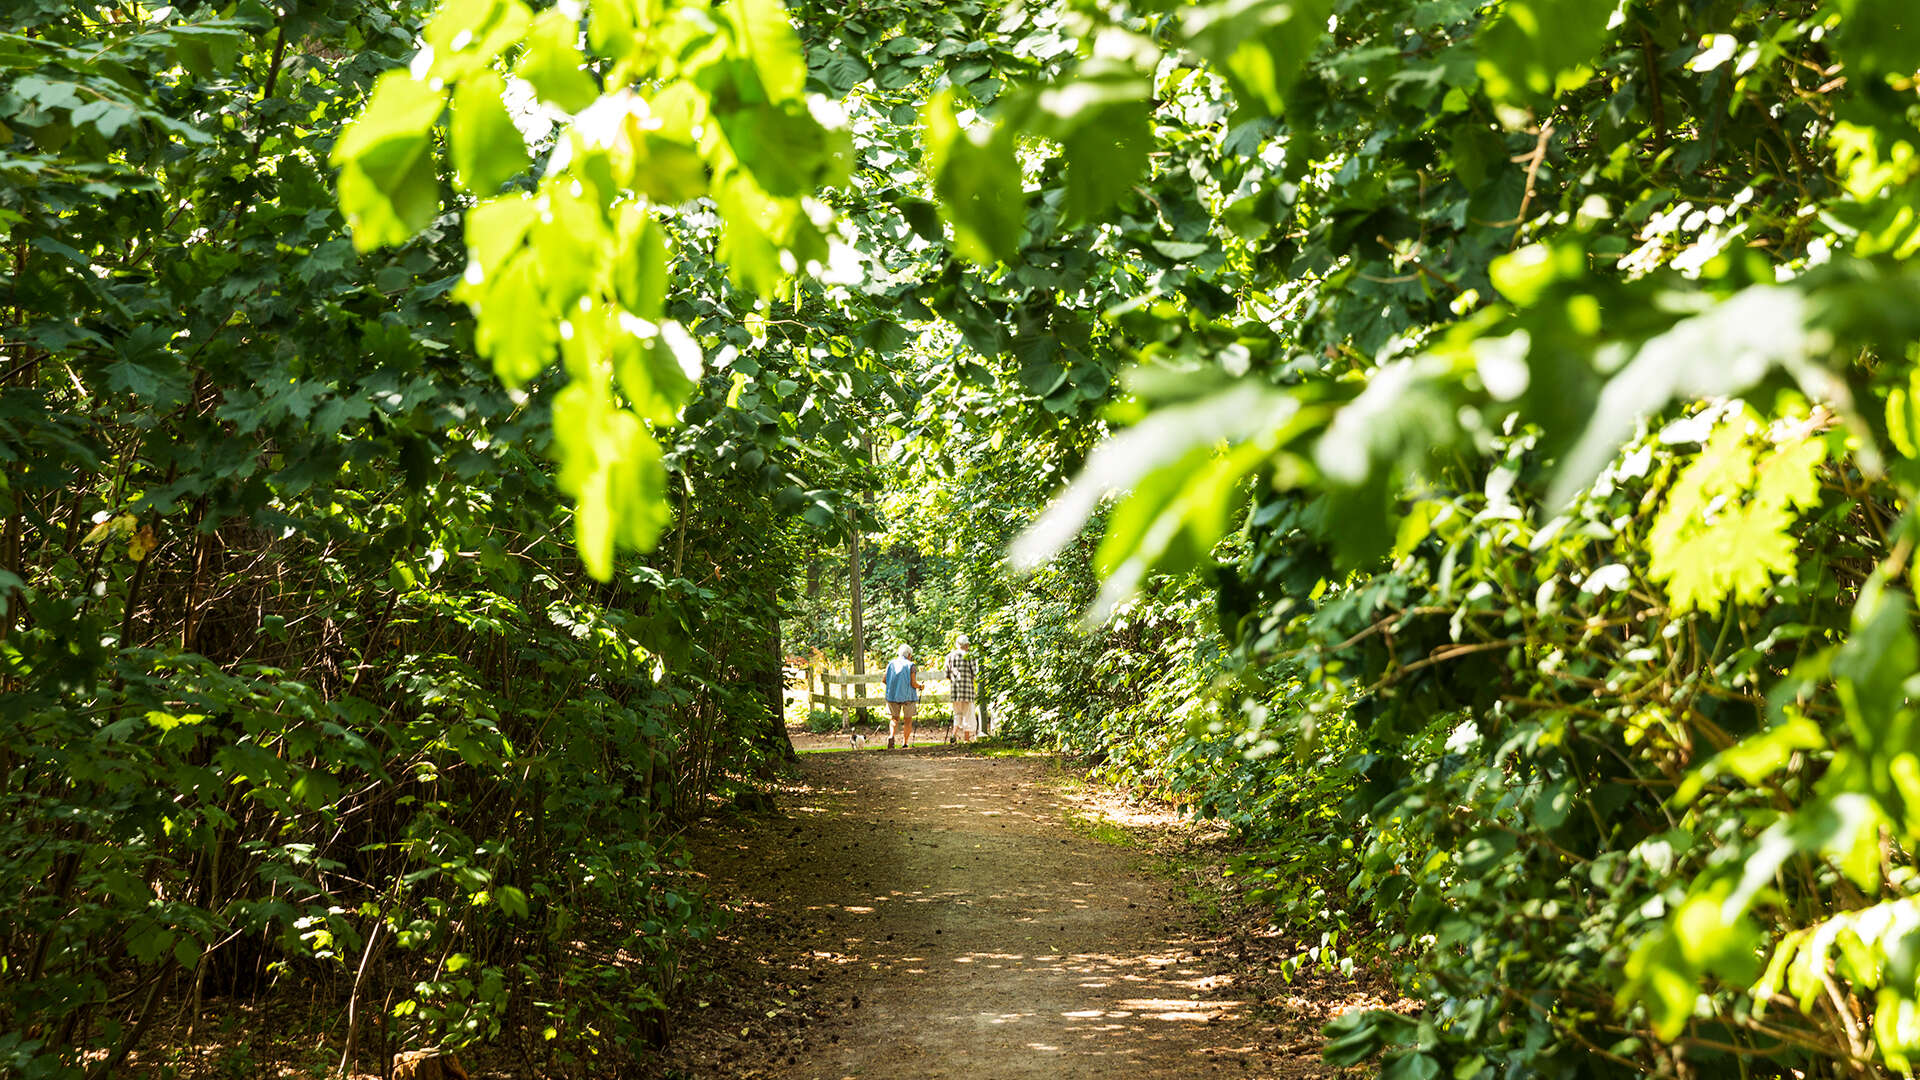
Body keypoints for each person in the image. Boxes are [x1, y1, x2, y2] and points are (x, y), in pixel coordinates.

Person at [883, 643, 921, 749]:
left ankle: (891, 736)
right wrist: (920, 686)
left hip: (892, 695)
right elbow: (913, 683)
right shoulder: (911, 665)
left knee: (894, 718)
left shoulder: (890, 664)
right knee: (908, 720)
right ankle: (905, 743)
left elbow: (884, 680)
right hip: (908, 697)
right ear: (909, 655)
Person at [945, 633, 980, 743]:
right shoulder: (970, 656)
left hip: (956, 690)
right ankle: (966, 739)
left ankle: (953, 734)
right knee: (967, 714)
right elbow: (975, 672)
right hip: (968, 690)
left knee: (957, 713)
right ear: (966, 645)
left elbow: (946, 673)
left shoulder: (950, 656)